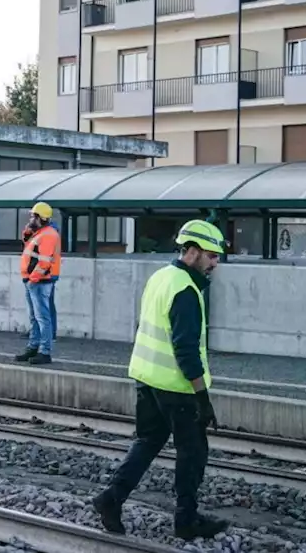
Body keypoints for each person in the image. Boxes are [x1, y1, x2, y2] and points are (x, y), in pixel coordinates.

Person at [92, 219, 230, 541]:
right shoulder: (186, 290)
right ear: (193, 252)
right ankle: (186, 521)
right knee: (192, 452)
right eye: (211, 256)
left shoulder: (160, 277)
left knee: (147, 442)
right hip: (176, 387)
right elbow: (185, 350)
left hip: (147, 378)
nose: (215, 263)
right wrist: (202, 397)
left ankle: (111, 499)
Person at [15, 202, 60, 365]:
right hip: (34, 280)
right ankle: (33, 347)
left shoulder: (48, 234)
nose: (31, 218)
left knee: (42, 318)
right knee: (35, 317)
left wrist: (32, 279)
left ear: (41, 217)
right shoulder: (40, 233)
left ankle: (44, 352)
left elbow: (44, 262)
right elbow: (29, 248)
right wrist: (28, 231)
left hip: (40, 281)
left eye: (33, 215)